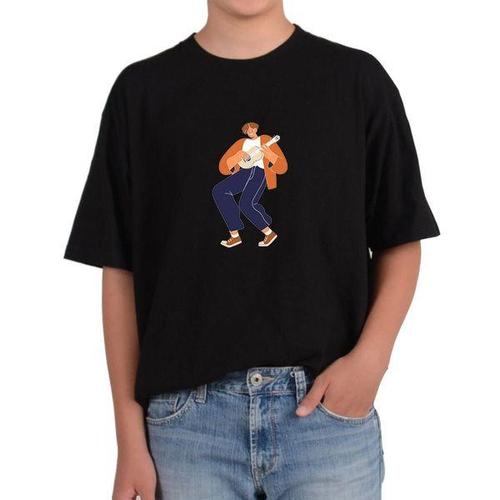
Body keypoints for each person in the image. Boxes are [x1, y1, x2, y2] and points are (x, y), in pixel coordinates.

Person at [64, 1, 440, 498]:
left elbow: (400, 239)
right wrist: (128, 437)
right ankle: (247, 229)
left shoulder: (356, 82)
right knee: (229, 196)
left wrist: (370, 362)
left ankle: (258, 227)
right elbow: (120, 271)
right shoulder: (142, 93)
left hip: (324, 417)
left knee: (247, 198)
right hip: (186, 428)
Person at [212, 121, 287, 248]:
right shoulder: (240, 143)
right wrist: (237, 156)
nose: (250, 130)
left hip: (260, 172)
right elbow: (223, 167)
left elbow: (282, 167)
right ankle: (235, 235)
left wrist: (271, 155)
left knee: (246, 204)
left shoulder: (266, 139)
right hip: (243, 172)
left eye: (252, 127)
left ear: (257, 129)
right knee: (219, 190)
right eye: (247, 129)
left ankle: (269, 233)